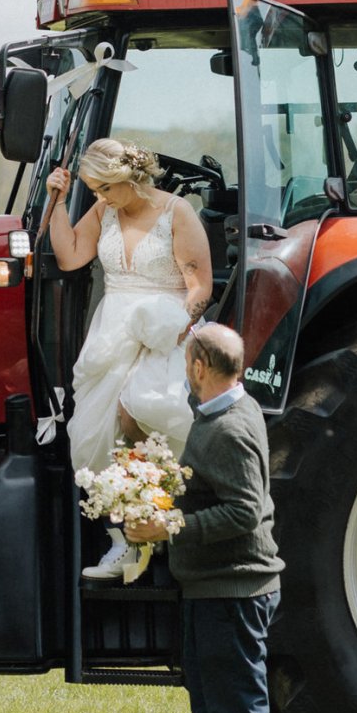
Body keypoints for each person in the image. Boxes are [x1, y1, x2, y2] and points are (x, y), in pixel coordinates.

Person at [125, 323, 284, 713]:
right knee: (213, 708)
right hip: (211, 585)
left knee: (238, 708)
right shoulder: (228, 410)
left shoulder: (231, 427)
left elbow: (244, 512)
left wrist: (170, 525)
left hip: (234, 588)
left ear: (197, 367)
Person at [45, 138, 213, 580]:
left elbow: (200, 287)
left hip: (165, 327)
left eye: (103, 188)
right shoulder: (105, 212)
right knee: (93, 434)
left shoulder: (177, 213)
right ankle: (125, 540)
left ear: (127, 179)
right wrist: (57, 203)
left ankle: (160, 524)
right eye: (93, 190)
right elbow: (70, 256)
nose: (98, 197)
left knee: (142, 412)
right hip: (113, 330)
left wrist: (176, 327)